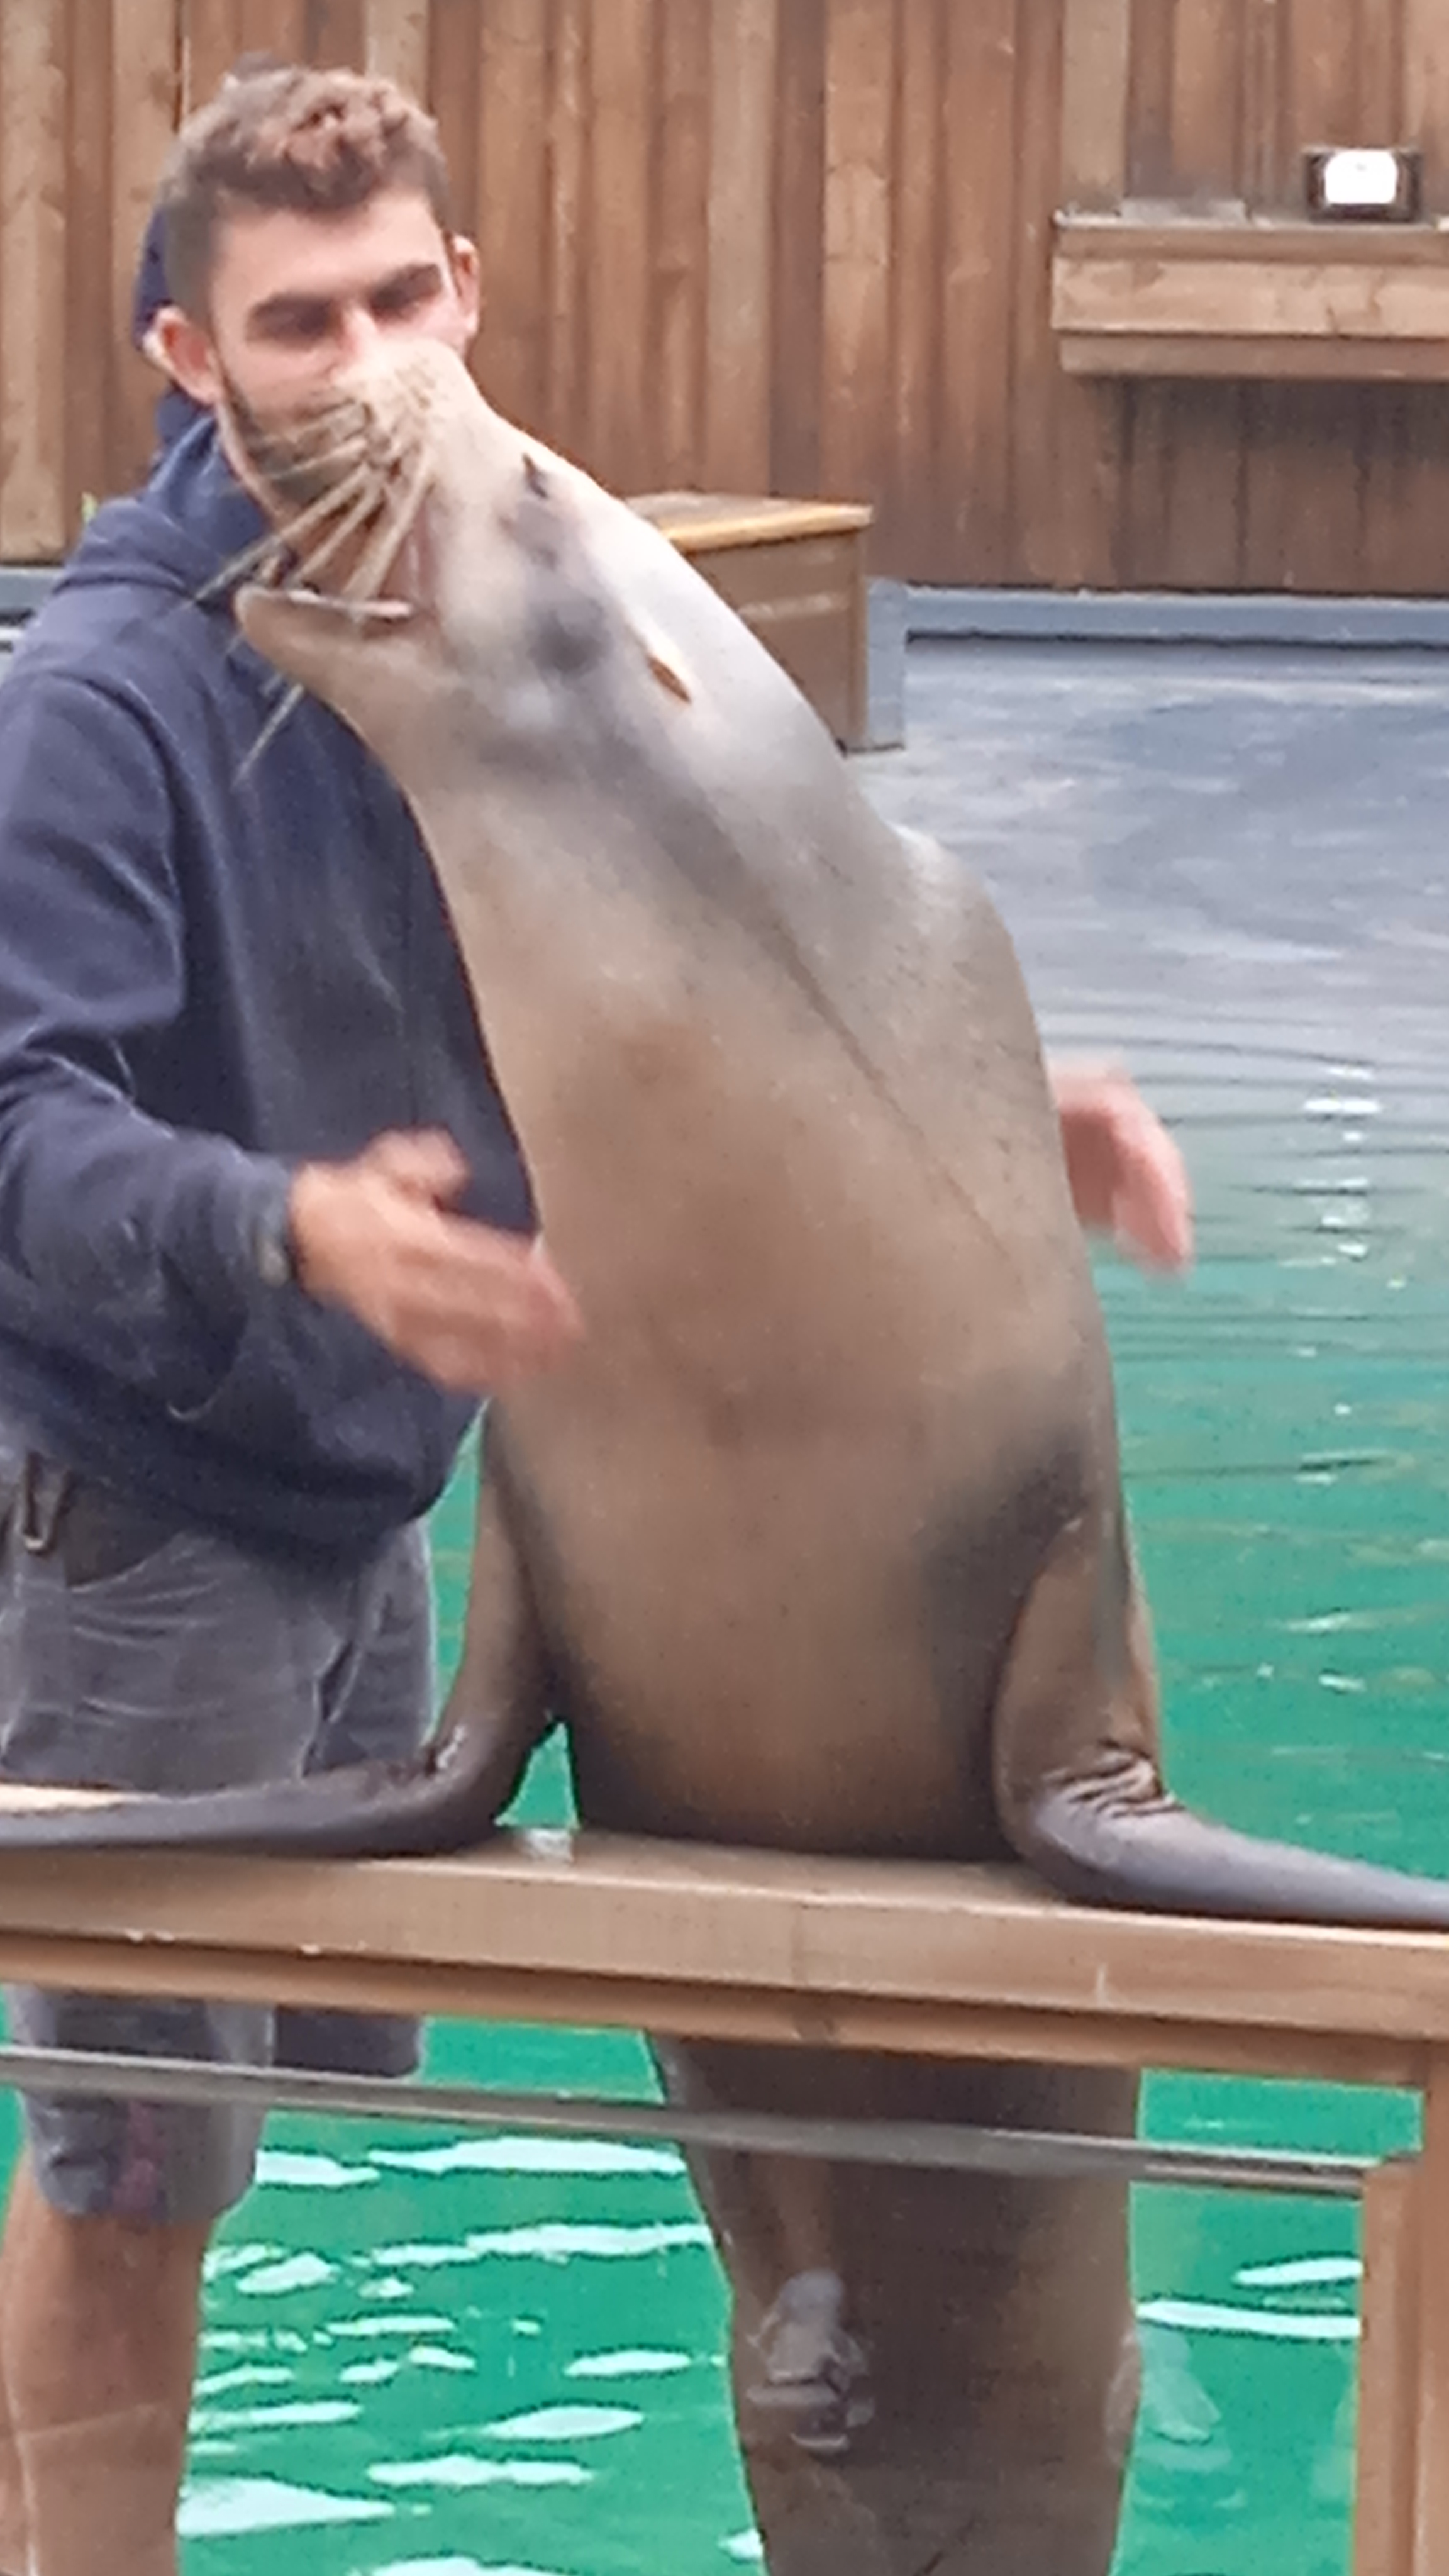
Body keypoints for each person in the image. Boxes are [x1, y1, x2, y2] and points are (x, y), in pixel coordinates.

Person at [0, 59, 1189, 2576]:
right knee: (131, 2166)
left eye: (398, 304)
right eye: (295, 325)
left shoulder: (449, 619)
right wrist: (286, 1227)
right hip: (157, 1507)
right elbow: (20, 1135)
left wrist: (974, 1117)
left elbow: (609, 1019)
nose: (364, 367)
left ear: (467, 295)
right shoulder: (118, 696)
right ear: (187, 359)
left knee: (292, 2105)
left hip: (371, 1478)